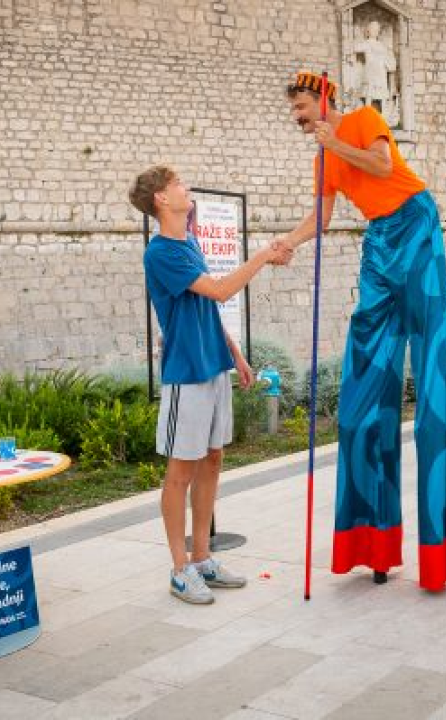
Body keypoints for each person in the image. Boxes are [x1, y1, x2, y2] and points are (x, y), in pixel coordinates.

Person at [273, 71, 446, 592]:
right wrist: (291, 243)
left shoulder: (363, 121)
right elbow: (320, 216)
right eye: (294, 112)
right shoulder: (325, 157)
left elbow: (384, 164)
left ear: (321, 99)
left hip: (415, 224)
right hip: (379, 242)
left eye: (299, 107)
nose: (296, 118)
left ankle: (443, 556)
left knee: (432, 394)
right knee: (363, 400)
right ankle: (373, 543)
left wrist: (336, 141)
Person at [129, 165, 285, 604]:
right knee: (180, 471)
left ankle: (202, 558)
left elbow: (208, 308)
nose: (187, 188)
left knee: (213, 459)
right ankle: (180, 570)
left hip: (214, 364)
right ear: (161, 198)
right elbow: (218, 290)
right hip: (186, 373)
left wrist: (235, 354)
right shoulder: (160, 252)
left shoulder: (189, 242)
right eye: (178, 184)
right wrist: (262, 256)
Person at [354, 20, 396, 112]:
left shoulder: (381, 45)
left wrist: (389, 57)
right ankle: (367, 116)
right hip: (370, 72)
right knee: (369, 95)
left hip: (381, 72)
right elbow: (356, 48)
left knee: (382, 96)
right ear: (368, 31)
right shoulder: (367, 43)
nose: (375, 31)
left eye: (377, 30)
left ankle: (384, 118)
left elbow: (387, 60)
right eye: (373, 29)